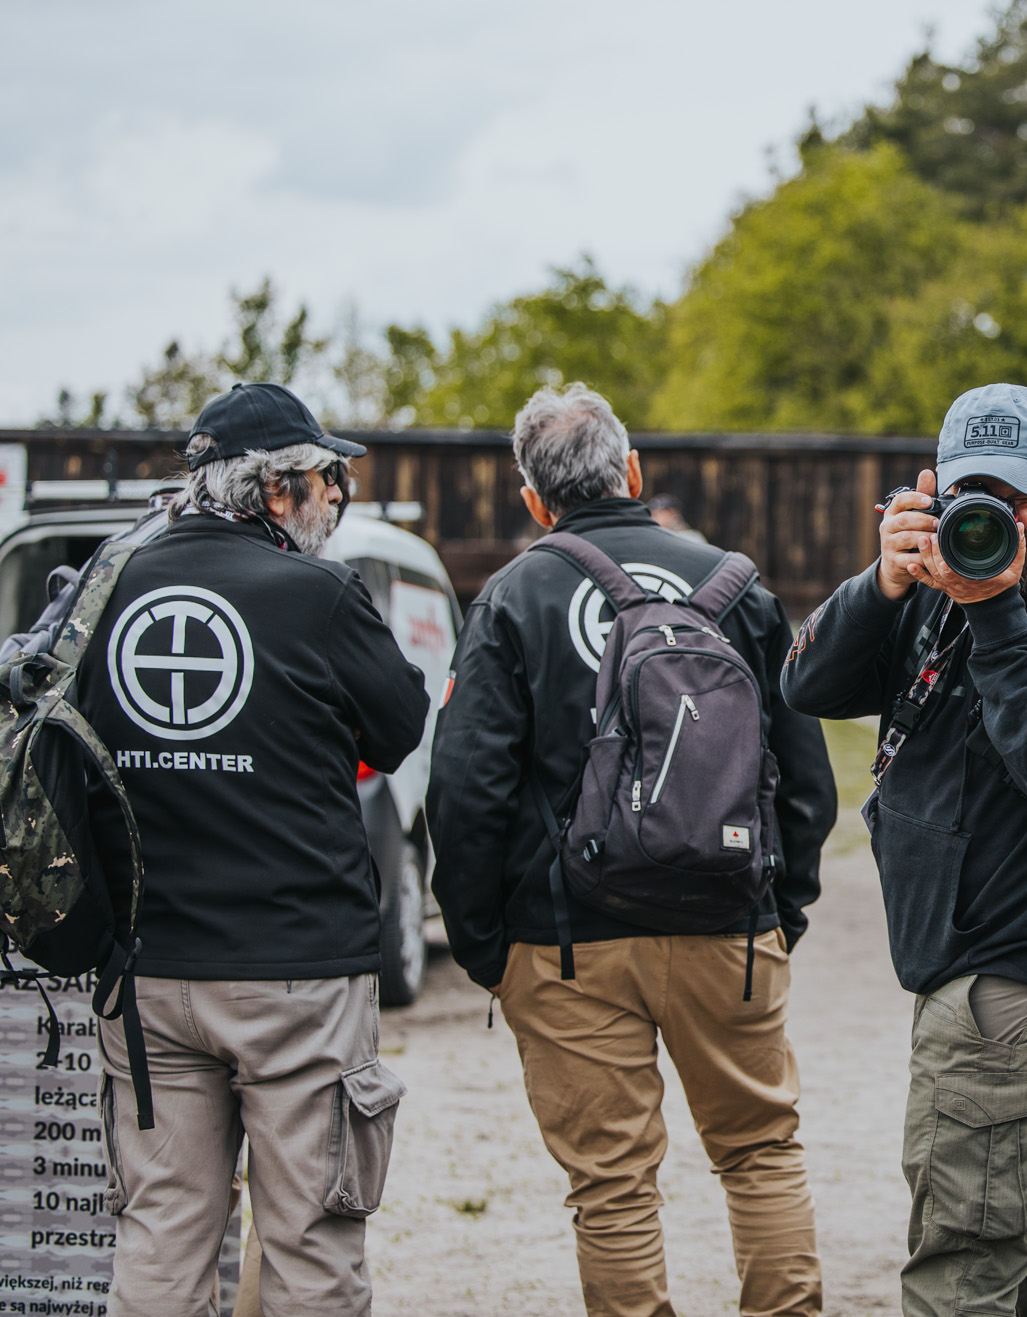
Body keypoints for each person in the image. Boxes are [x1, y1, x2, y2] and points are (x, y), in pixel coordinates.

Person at [427, 384, 837, 1317]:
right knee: (760, 1152)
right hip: (728, 927)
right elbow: (805, 771)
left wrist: (488, 943)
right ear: (635, 472)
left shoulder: (513, 597)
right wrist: (781, 912)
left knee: (610, 1187)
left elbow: (465, 790)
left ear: (534, 501)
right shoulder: (738, 586)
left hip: (566, 943)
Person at [780, 383, 1027, 1317]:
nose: (995, 517)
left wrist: (996, 608)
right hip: (980, 975)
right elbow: (803, 683)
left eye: (1017, 495)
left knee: (959, 1271)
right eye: (973, 493)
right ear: (937, 488)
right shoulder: (930, 583)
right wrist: (881, 583)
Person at [72, 382, 429, 1315]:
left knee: (159, 1234)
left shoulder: (102, 590)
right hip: (297, 975)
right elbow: (398, 727)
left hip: (146, 975)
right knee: (311, 1245)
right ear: (277, 492)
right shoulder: (319, 593)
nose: (336, 495)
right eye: (326, 476)